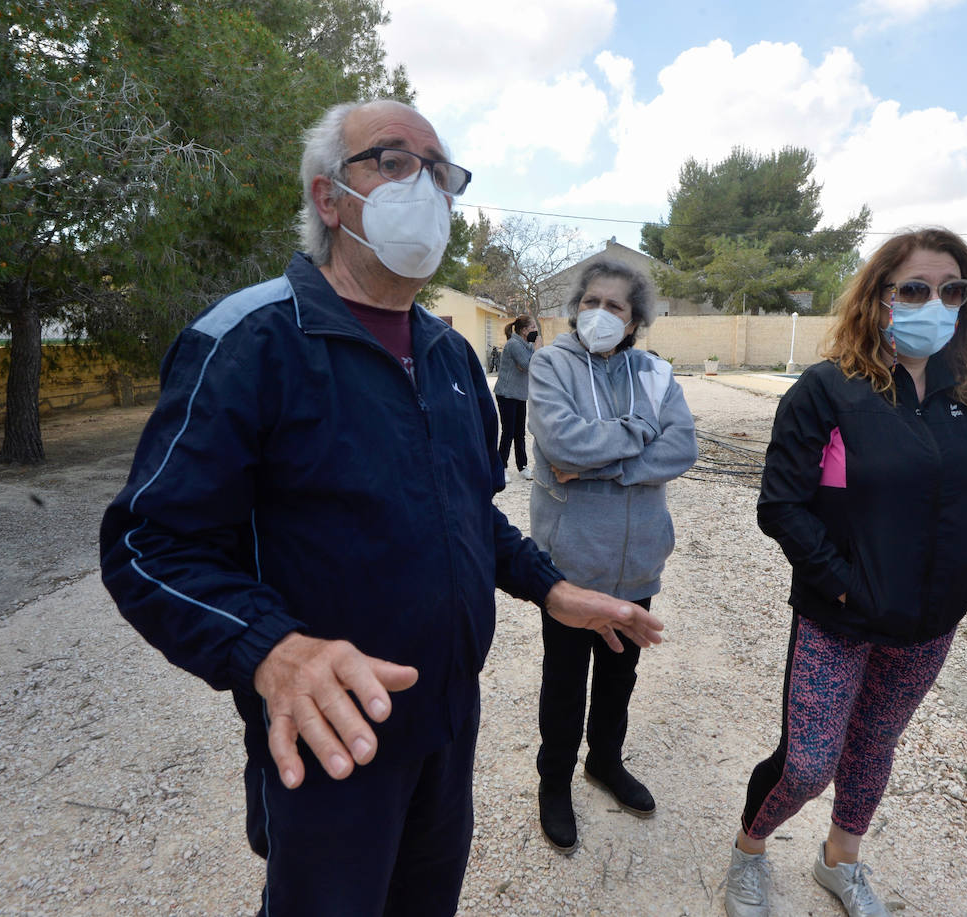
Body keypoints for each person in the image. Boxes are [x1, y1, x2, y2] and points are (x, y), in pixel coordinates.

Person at [98, 99, 663, 917]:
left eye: (441, 172)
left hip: (445, 717)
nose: (426, 187)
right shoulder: (250, 342)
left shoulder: (450, 353)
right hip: (328, 732)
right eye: (395, 161)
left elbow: (469, 514)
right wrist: (271, 649)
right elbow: (147, 546)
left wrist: (551, 587)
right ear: (329, 198)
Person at [723, 228, 967, 917]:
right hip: (839, 614)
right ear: (879, 299)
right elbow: (781, 505)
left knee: (875, 745)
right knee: (810, 760)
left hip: (929, 622)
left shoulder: (964, 396)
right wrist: (844, 581)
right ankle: (749, 849)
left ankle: (839, 861)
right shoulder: (827, 390)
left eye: (951, 290)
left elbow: (962, 495)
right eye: (914, 289)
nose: (933, 303)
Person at [526, 259, 697, 853]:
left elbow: (682, 447)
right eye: (591, 301)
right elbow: (562, 442)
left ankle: (604, 761)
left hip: (639, 561)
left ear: (634, 321)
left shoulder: (654, 373)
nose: (601, 313)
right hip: (572, 565)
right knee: (566, 681)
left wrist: (612, 463)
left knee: (621, 673)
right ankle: (554, 782)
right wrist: (639, 432)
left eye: (616, 306)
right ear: (576, 308)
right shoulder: (550, 364)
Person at [495, 313, 538, 482]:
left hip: (519, 394)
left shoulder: (526, 345)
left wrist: (529, 359)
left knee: (520, 432)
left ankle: (522, 467)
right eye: (533, 327)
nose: (535, 330)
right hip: (506, 393)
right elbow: (529, 364)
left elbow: (528, 365)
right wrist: (536, 348)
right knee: (508, 432)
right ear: (525, 330)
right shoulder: (514, 344)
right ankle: (501, 467)